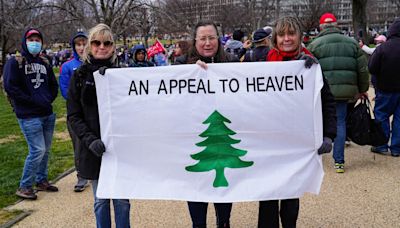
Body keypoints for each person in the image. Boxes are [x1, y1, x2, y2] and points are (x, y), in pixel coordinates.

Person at [259, 16, 337, 228]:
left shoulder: (311, 65)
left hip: (296, 141)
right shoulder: (262, 63)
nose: (286, 39)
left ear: (300, 36)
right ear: (275, 38)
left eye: (291, 33)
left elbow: (327, 101)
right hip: (269, 139)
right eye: (282, 34)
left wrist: (329, 135)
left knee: (291, 192)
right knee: (267, 191)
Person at [175, 20, 239, 228]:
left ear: (218, 40)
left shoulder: (231, 62)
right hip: (194, 140)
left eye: (211, 37)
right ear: (195, 41)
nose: (207, 42)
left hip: (223, 139)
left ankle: (224, 223)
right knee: (196, 190)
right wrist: (190, 73)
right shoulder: (182, 63)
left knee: (223, 195)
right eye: (202, 38)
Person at [67, 23, 131, 227]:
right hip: (92, 149)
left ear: (113, 46)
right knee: (101, 200)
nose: (101, 47)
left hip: (120, 149)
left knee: (122, 201)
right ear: (89, 45)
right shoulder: (79, 76)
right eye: (96, 42)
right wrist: (90, 140)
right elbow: (74, 116)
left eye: (106, 43)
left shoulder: (124, 75)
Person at [308, 12, 369, 173]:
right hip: (345, 91)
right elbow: (362, 69)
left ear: (321, 27)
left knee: (319, 121)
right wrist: (362, 89)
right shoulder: (352, 43)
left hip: (322, 90)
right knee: (340, 123)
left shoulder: (315, 44)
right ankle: (339, 161)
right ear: (336, 26)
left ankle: (315, 155)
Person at [3, 28, 59, 200]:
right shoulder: (15, 62)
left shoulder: (45, 62)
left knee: (46, 150)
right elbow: (11, 87)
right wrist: (32, 100)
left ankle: (41, 180)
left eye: (38, 39)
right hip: (28, 115)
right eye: (31, 39)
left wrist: (47, 99)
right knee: (37, 150)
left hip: (47, 113)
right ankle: (25, 185)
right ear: (25, 41)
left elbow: (53, 85)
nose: (35, 42)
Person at [59, 31, 89, 192]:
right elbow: (65, 90)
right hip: (77, 113)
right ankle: (81, 176)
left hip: (94, 112)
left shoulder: (93, 63)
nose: (81, 47)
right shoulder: (68, 66)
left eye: (84, 43)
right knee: (78, 145)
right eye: (78, 44)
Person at [368, 18, 400, 157]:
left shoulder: (383, 48)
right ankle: (397, 148)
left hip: (385, 88)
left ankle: (381, 145)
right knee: (399, 119)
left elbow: (372, 68)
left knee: (381, 115)